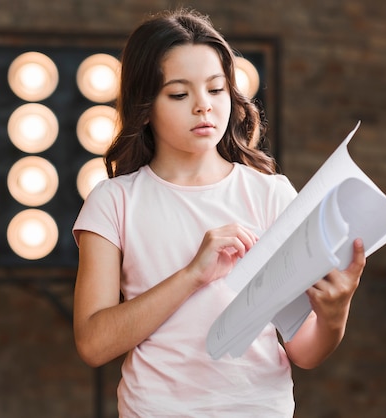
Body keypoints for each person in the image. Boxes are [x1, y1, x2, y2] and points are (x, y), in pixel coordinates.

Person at [72, 8, 366, 417]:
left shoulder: (271, 194)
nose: (203, 107)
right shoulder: (114, 201)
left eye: (216, 89)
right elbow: (93, 342)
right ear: (145, 104)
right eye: (179, 94)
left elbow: (304, 351)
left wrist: (334, 314)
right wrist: (193, 274)